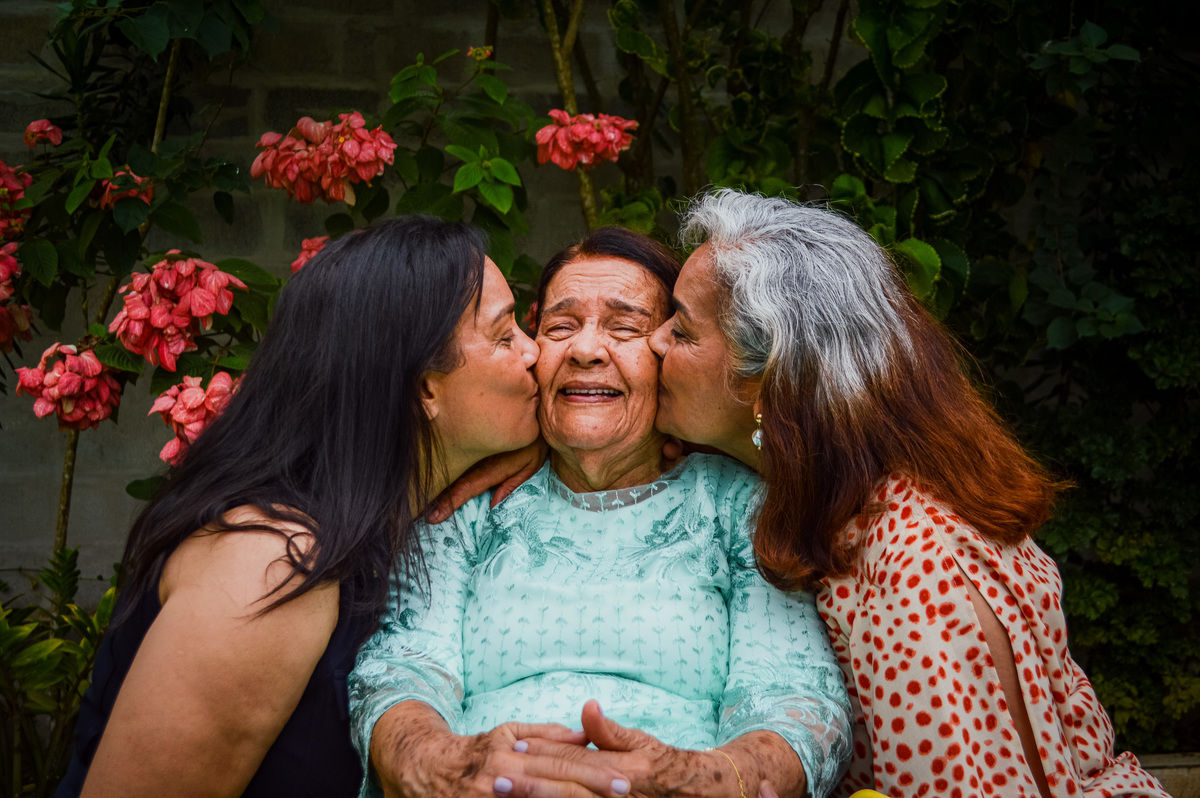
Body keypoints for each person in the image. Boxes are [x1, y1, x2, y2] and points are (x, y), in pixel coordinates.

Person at [645, 189, 1169, 798]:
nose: (652, 342)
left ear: (768, 381)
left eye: (681, 330)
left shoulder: (913, 565)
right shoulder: (824, 484)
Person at [55, 216, 551, 798]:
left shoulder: (376, 522)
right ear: (423, 390)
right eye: (504, 334)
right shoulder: (270, 565)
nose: (533, 350)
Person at [349, 227, 852, 798]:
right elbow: (402, 667)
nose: (586, 350)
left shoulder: (735, 506)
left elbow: (794, 695)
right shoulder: (468, 503)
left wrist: (706, 778)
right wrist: (440, 763)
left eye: (625, 328)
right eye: (560, 327)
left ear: (670, 353)